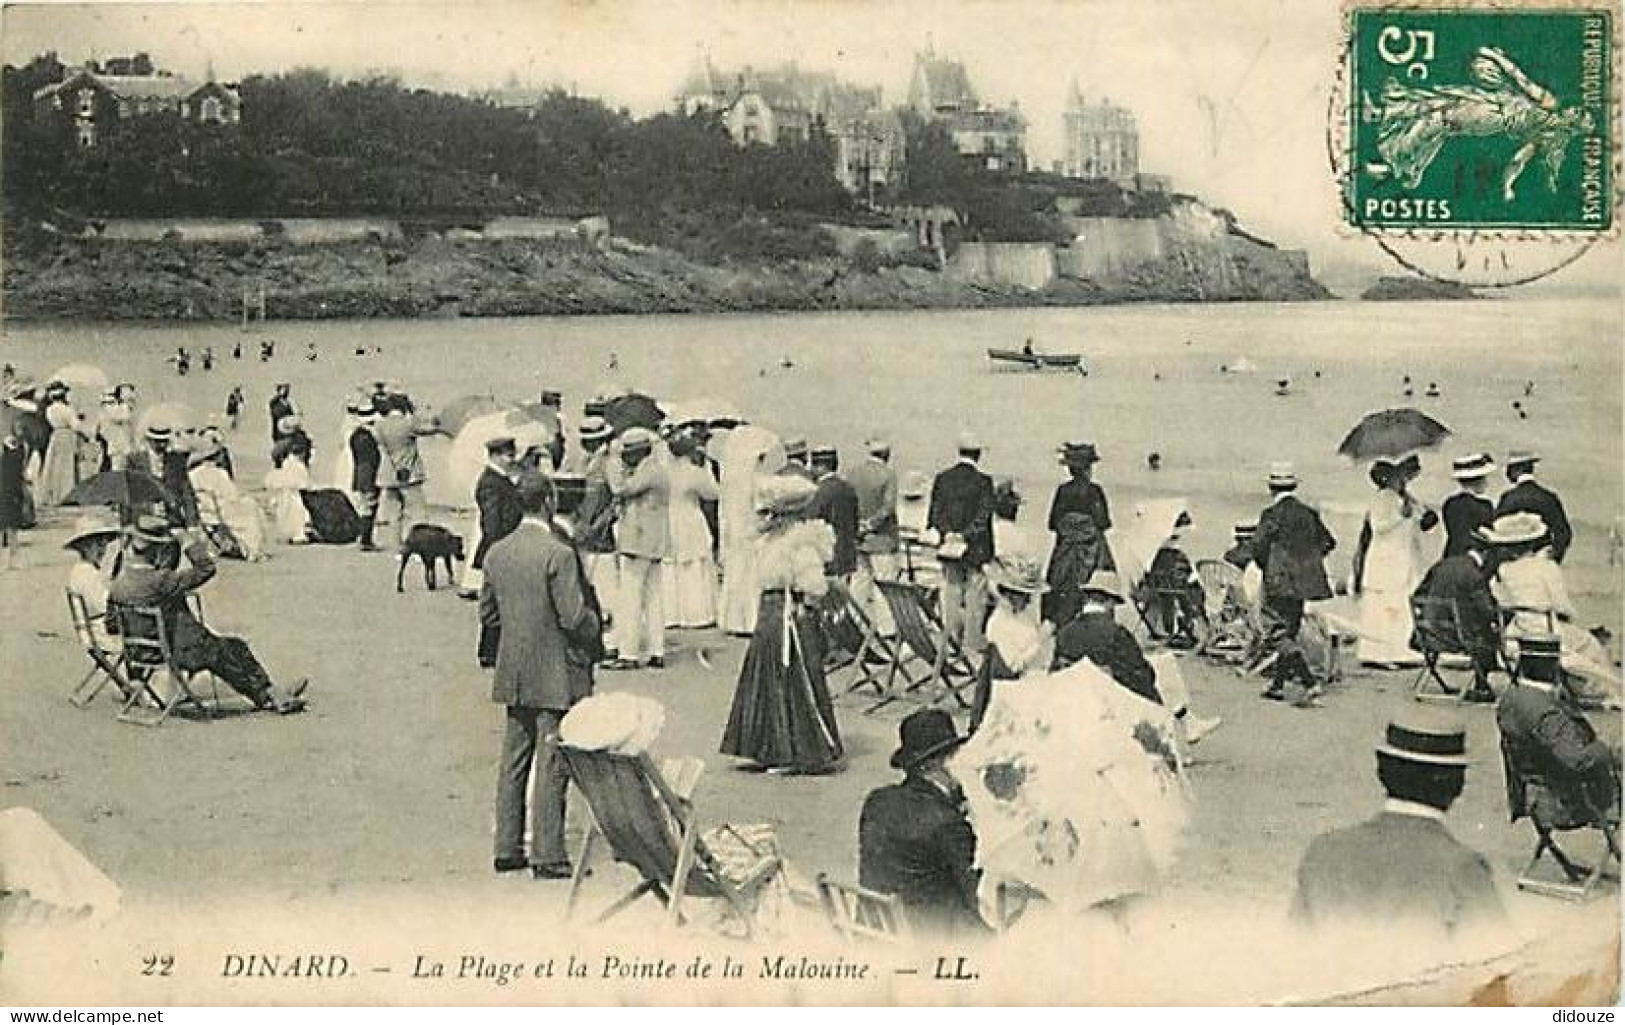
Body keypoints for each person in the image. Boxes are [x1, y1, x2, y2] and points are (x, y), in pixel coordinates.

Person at [1290, 707, 1507, 941]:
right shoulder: (1461, 867)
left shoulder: (1324, 851)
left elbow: (1290, 954)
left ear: (1381, 771)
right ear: (1457, 783)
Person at [480, 472, 601, 879]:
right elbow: (572, 616)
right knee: (552, 762)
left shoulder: (497, 552)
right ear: (548, 500)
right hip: (556, 672)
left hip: (515, 669)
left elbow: (489, 615)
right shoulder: (557, 554)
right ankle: (548, 853)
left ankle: (507, 846)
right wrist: (597, 626)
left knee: (514, 759)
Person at [108, 516, 308, 714]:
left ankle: (270, 693)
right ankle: (270, 695)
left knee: (225, 649)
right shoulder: (161, 581)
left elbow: (112, 626)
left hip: (139, 652)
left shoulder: (119, 583)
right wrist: (189, 543)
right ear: (158, 550)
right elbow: (206, 568)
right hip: (173, 652)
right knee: (234, 648)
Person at [720, 474, 843, 773]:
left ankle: (799, 752)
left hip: (790, 616)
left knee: (790, 681)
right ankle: (769, 747)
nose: (765, 518)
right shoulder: (773, 540)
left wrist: (803, 600)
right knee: (769, 678)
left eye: (771, 512)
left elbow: (815, 586)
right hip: (771, 614)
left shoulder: (799, 544)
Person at [859, 708, 988, 938]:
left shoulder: (876, 801)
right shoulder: (948, 824)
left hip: (879, 929)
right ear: (938, 764)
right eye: (957, 756)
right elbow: (980, 897)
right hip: (935, 941)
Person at [1053, 571, 1221, 746]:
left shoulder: (1065, 632)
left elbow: (1058, 672)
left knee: (1160, 664)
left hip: (1077, 697)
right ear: (1109, 601)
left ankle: (1188, 721)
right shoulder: (1115, 632)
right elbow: (1140, 675)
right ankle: (1184, 723)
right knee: (1162, 667)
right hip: (1113, 698)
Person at [1483, 513, 1620, 707]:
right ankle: (1606, 692)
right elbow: (1561, 604)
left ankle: (1579, 689)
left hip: (1517, 631)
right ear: (1533, 543)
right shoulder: (1547, 567)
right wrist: (1569, 617)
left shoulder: (1504, 569)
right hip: (1546, 630)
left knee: (1574, 642)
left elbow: (1500, 599)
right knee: (1589, 643)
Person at [1496, 635, 1621, 848]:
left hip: (1532, 793)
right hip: (1567, 802)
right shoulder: (1546, 712)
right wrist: (1608, 746)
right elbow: (1577, 760)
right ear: (1554, 669)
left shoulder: (1511, 697)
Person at [1253, 463, 1337, 706]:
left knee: (1275, 631)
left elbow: (1258, 547)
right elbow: (1329, 542)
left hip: (1279, 580)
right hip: (1304, 581)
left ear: (1271, 487)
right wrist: (1308, 561)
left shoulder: (1271, 514)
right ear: (1293, 486)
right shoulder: (1309, 513)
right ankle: (1278, 685)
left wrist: (1269, 566)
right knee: (1289, 629)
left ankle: (1309, 682)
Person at [1353, 455, 1435, 668]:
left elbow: (1424, 522)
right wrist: (1402, 515)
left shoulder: (1403, 498)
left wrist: (1416, 510)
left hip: (1401, 558)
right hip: (1387, 560)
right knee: (1385, 606)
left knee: (1396, 606)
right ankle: (1382, 653)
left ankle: (1394, 650)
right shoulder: (1384, 498)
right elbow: (1379, 525)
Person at [603, 428, 669, 671]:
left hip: (638, 541)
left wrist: (611, 463)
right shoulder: (658, 470)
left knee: (630, 598)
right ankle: (656, 650)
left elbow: (620, 489)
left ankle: (628, 653)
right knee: (653, 598)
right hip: (654, 542)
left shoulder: (648, 471)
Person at [928, 433, 995, 659]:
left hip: (948, 547)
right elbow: (983, 516)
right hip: (975, 548)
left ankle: (950, 640)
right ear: (978, 454)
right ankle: (971, 643)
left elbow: (935, 514)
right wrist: (965, 536)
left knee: (950, 594)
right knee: (975, 596)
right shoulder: (984, 481)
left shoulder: (942, 478)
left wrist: (950, 534)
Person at [971, 551, 1055, 732]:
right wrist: (1041, 639)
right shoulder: (999, 623)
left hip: (1033, 676)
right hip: (1016, 688)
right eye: (1024, 596)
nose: (1029, 601)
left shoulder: (1022, 615)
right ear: (1009, 594)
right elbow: (1013, 666)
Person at [1411, 544, 1501, 702]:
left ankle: (1482, 684)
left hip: (1428, 633)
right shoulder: (1474, 574)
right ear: (1486, 554)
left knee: (1478, 628)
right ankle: (1482, 687)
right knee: (1488, 634)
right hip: (1455, 638)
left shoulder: (1442, 565)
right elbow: (1487, 610)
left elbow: (1419, 594)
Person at [1042, 441, 1114, 626]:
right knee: (1100, 584)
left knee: (1059, 591)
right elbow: (1104, 523)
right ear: (1088, 468)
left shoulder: (1062, 491)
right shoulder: (1095, 492)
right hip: (1090, 552)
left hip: (1065, 552)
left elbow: (1052, 524)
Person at [663, 430, 719, 629]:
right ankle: (696, 614)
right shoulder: (694, 472)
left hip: (669, 518)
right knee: (694, 564)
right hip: (689, 517)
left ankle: (670, 614)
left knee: (670, 566)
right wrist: (707, 468)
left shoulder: (665, 471)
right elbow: (712, 493)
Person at [572, 417, 620, 649]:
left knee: (606, 589)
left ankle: (610, 640)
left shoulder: (609, 464)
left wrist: (599, 525)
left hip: (601, 534)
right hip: (583, 531)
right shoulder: (584, 462)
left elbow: (616, 500)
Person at [372, 395, 437, 552]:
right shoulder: (408, 423)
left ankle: (396, 544)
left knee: (394, 512)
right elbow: (429, 430)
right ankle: (421, 542)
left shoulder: (380, 425)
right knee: (418, 511)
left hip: (388, 473)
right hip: (409, 472)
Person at [461, 436, 522, 599]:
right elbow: (492, 520)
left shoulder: (499, 478)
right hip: (500, 540)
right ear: (495, 456)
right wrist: (498, 544)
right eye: (508, 456)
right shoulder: (490, 482)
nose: (512, 460)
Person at [849, 437, 899, 634]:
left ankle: (855, 625)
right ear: (887, 455)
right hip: (882, 541)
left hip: (859, 539)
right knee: (884, 586)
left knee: (859, 584)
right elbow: (888, 508)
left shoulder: (853, 474)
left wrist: (858, 526)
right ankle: (886, 629)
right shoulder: (888, 475)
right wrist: (871, 524)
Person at [188, 440, 269, 561]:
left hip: (203, 511)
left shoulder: (192, 474)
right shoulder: (219, 474)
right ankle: (252, 549)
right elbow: (230, 496)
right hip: (218, 512)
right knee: (251, 508)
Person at [1138, 510, 1206, 648]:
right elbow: (1186, 578)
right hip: (1177, 590)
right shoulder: (1177, 555)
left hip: (1159, 590)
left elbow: (1147, 575)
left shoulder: (1154, 554)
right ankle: (1189, 626)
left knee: (1170, 596)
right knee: (1193, 591)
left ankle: (1173, 628)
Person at [1496, 450, 1572, 563]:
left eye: (1509, 468)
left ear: (1517, 470)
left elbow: (1498, 532)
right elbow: (1564, 533)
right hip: (1543, 562)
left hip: (1514, 562)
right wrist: (1553, 556)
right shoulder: (1549, 498)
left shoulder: (1508, 498)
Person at [63, 514, 123, 647]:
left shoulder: (82, 569)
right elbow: (104, 606)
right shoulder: (87, 573)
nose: (103, 550)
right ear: (85, 547)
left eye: (104, 544)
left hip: (91, 631)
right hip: (100, 634)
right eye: (98, 545)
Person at [806, 445, 859, 583]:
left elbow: (811, 523)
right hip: (847, 557)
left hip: (826, 558)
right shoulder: (848, 489)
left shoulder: (817, 492)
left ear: (820, 467)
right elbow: (855, 523)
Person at [36, 386, 84, 507]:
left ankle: (54, 494)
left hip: (56, 435)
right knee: (67, 465)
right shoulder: (67, 409)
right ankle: (67, 494)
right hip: (66, 436)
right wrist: (79, 419)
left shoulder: (49, 409)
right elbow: (76, 426)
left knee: (54, 465)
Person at [1442, 453, 1496, 558]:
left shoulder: (1450, 503)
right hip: (1475, 555)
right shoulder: (1484, 506)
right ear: (1479, 481)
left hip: (1452, 553)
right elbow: (1487, 537)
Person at [348, 402, 382, 552]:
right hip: (368, 475)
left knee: (364, 507)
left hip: (359, 474)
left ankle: (364, 538)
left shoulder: (355, 435)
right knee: (369, 507)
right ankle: (366, 539)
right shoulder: (367, 438)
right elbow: (372, 458)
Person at [0, 433, 26, 570]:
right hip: (11, 498)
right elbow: (17, 482)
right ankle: (12, 560)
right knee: (12, 532)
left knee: (6, 530)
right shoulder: (15, 461)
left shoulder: (5, 460)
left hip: (4, 497)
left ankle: (7, 561)